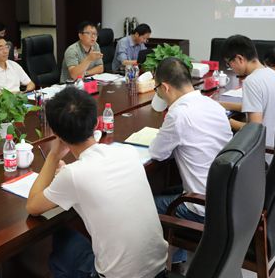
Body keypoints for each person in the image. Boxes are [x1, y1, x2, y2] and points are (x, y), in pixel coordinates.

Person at [27, 87, 168, 278]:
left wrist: (53, 156)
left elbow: (33, 207)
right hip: (159, 270)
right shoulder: (127, 151)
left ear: (56, 134)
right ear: (96, 123)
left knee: (61, 245)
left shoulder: (73, 175)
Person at [149, 57, 233, 267]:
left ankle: (165, 263)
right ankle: (177, 256)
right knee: (169, 188)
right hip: (228, 196)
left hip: (202, 208)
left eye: (157, 89)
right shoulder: (211, 103)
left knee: (145, 204)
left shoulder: (179, 114)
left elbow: (157, 153)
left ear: (165, 87)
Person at [219, 35, 275, 148]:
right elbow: (259, 107)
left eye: (229, 64)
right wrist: (220, 104)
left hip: (263, 149)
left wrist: (226, 120)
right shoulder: (272, 73)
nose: (230, 68)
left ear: (239, 59)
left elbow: (253, 130)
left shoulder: (251, 81)